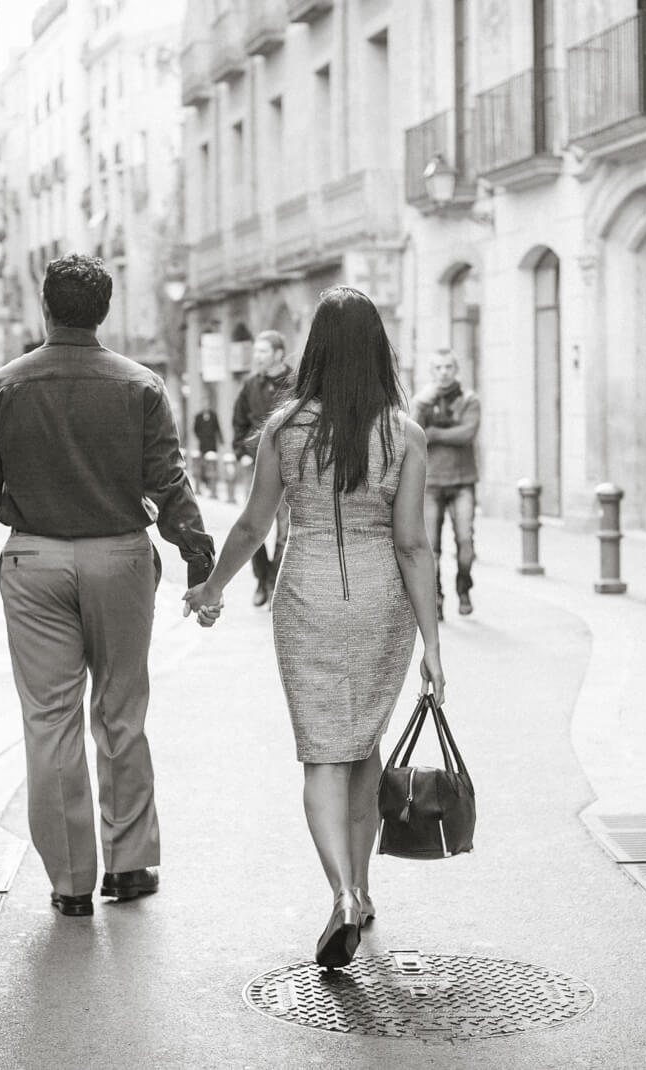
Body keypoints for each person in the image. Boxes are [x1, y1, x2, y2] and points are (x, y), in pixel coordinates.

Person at [184, 287, 445, 970]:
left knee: (324, 752)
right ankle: (359, 891)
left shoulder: (285, 428)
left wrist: (212, 589)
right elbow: (415, 545)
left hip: (307, 597)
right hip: (382, 600)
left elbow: (252, 525)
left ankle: (346, 893)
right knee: (362, 747)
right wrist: (434, 646)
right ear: (377, 350)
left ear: (316, 352)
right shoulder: (404, 433)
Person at [0, 254, 216, 919]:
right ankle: (128, 867)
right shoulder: (140, 386)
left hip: (34, 563)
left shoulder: (3, 387)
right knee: (122, 711)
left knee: (49, 723)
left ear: (46, 307)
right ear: (103, 311)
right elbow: (169, 482)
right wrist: (197, 557)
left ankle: (70, 882)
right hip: (120, 559)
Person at [412, 349, 481, 619]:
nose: (444, 372)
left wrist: (433, 433)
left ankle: (463, 585)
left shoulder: (469, 399)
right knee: (431, 548)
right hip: (431, 484)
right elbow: (413, 434)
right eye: (438, 367)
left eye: (448, 367)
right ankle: (436, 597)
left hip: (463, 482)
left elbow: (467, 433)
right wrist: (420, 407)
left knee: (465, 544)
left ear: (456, 370)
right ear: (432, 372)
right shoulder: (423, 401)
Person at [232, 330, 295, 605]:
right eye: (256, 351)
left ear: (278, 354)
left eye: (263, 351)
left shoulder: (297, 382)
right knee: (253, 526)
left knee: (286, 529)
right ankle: (261, 579)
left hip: (289, 467)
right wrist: (240, 452)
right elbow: (238, 423)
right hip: (256, 464)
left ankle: (273, 582)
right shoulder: (249, 386)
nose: (257, 356)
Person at [192, 405, 224, 499]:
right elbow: (195, 429)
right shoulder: (198, 416)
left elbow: (218, 428)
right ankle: (203, 481)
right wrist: (200, 437)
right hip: (203, 444)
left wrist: (221, 440)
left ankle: (211, 484)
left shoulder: (213, 415)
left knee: (212, 464)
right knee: (202, 464)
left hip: (212, 444)